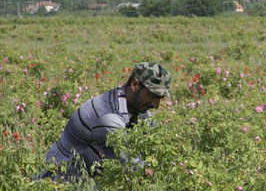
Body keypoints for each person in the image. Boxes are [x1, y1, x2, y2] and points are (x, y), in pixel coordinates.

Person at [38, 62, 172, 182]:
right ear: (134, 85)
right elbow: (133, 167)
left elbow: (153, 144)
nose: (156, 104)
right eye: (153, 96)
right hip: (60, 184)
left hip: (86, 182)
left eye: (159, 98)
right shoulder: (108, 116)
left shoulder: (137, 108)